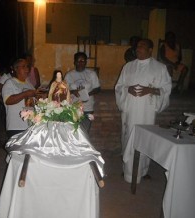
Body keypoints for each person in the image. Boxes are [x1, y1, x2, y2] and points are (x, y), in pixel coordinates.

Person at [115, 38, 172, 183]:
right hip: (130, 111)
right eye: (137, 47)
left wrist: (150, 90)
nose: (138, 49)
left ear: (150, 50)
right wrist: (128, 89)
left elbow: (166, 89)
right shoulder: (128, 66)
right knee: (129, 138)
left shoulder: (160, 68)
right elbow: (119, 87)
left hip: (147, 112)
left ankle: (143, 170)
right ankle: (128, 171)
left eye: (142, 46)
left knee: (146, 139)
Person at [65, 52, 101, 133]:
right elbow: (64, 91)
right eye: (78, 61)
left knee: (85, 131)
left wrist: (87, 94)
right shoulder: (69, 75)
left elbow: (98, 88)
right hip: (73, 107)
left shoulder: (91, 74)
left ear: (86, 62)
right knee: (74, 131)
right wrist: (72, 91)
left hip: (87, 107)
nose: (80, 63)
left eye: (83, 60)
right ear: (74, 62)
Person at [1, 58, 37, 139]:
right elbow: (8, 101)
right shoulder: (10, 82)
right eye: (23, 66)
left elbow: (33, 102)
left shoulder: (29, 84)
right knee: (16, 151)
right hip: (15, 126)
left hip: (29, 124)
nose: (27, 69)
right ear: (16, 69)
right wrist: (25, 93)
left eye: (27, 66)